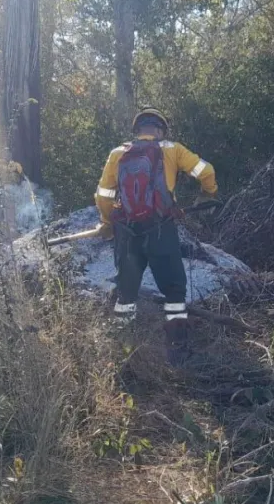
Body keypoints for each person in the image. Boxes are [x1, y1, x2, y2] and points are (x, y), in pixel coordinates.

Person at [90, 108, 217, 364]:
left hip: (127, 233)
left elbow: (104, 194)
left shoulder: (118, 153)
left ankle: (122, 350)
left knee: (126, 292)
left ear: (137, 130)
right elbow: (206, 171)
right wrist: (209, 193)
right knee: (174, 289)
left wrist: (107, 223)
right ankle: (178, 349)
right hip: (161, 230)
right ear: (160, 130)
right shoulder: (173, 149)